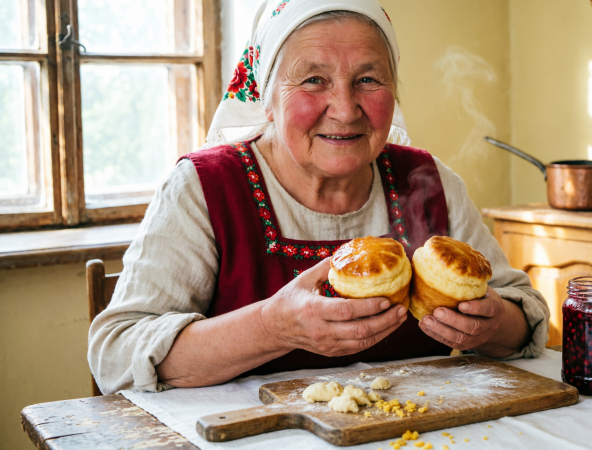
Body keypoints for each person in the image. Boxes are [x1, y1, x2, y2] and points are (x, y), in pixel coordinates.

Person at [88, 0, 549, 394]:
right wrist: (272, 326)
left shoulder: (428, 182)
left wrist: (492, 325)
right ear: (267, 98)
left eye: (369, 79)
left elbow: (523, 322)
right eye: (313, 80)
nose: (346, 110)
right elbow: (115, 355)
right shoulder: (205, 188)